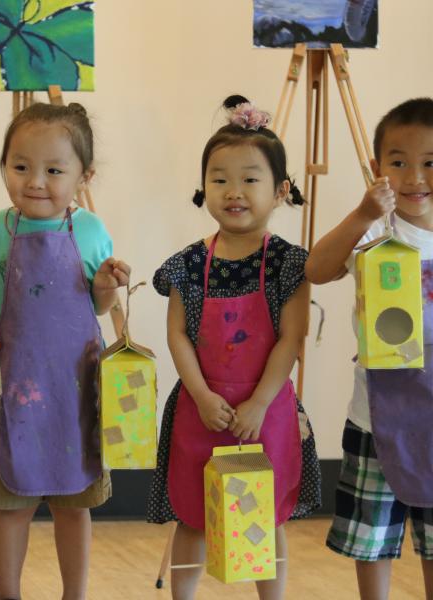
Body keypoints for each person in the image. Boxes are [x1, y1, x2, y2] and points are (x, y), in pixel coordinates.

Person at [146, 95, 321, 600]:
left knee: (263, 513)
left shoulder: (290, 264)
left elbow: (292, 336)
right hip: (202, 409)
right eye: (219, 179)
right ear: (204, 188)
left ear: (281, 190)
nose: (233, 191)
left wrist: (260, 402)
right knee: (195, 516)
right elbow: (177, 332)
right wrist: (201, 395)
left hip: (266, 412)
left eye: (249, 179)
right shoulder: (187, 264)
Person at [0, 101, 130, 600]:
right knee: (11, 505)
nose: (35, 181)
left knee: (74, 506)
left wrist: (106, 286)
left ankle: (73, 594)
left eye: (54, 170)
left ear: (83, 175)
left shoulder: (93, 232)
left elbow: (96, 308)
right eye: (20, 167)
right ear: (5, 166)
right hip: (14, 391)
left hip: (79, 397)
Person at [306, 97, 433, 600]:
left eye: (429, 163)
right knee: (371, 540)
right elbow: (317, 269)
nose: (414, 177)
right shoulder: (376, 228)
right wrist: (361, 214)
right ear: (377, 168)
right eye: (398, 162)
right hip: (375, 415)